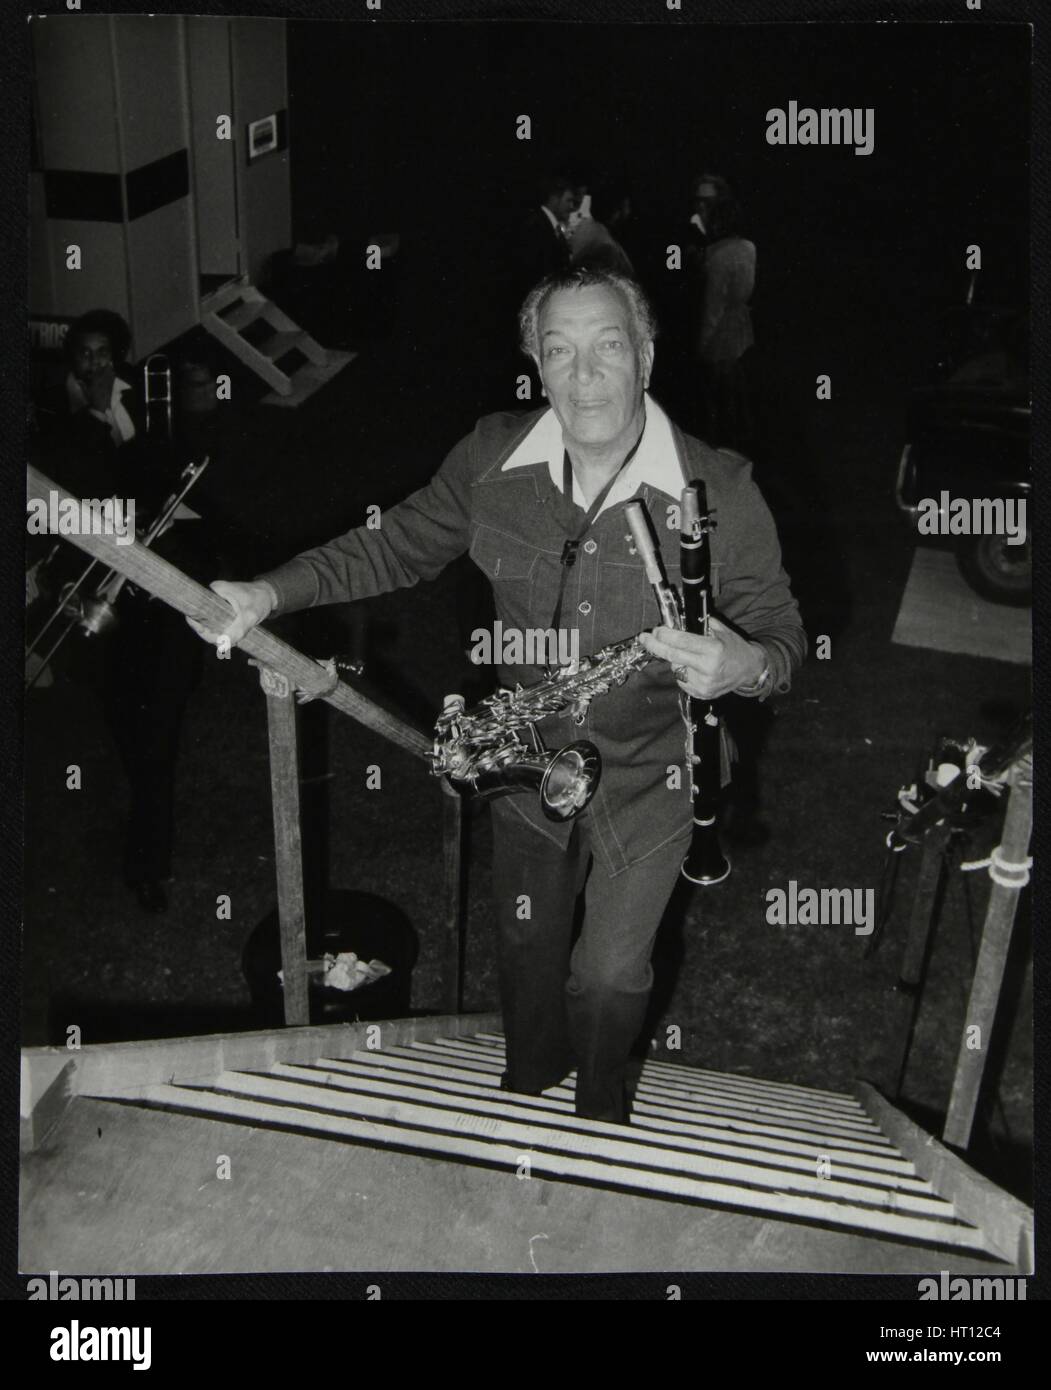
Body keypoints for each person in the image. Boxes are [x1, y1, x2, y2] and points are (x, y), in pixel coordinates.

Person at [188, 267, 805, 1122]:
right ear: (536, 365)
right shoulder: (489, 458)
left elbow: (784, 638)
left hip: (652, 775)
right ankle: (529, 1083)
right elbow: (392, 546)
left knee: (608, 973)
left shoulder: (721, 490)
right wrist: (268, 593)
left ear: (647, 357)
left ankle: (597, 1114)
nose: (583, 375)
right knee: (525, 942)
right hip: (526, 767)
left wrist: (744, 664)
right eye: (559, 351)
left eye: (607, 347)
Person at [34, 310, 210, 913]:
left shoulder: (150, 407)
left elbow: (168, 477)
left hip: (160, 596)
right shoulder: (55, 421)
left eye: (104, 353)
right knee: (135, 736)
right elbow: (47, 514)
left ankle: (147, 862)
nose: (93, 365)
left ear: (120, 355)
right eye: (83, 354)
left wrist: (119, 421)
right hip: (102, 607)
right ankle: (147, 817)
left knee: (156, 735)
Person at [694, 182, 757, 450]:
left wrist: (703, 343)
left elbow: (713, 308)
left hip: (720, 336)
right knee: (737, 391)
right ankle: (743, 441)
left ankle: (721, 446)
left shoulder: (717, 256)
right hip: (741, 325)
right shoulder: (748, 247)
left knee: (718, 398)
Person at [568, 179, 635, 276]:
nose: (628, 212)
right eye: (627, 206)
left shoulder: (585, 227)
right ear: (616, 212)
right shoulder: (606, 247)